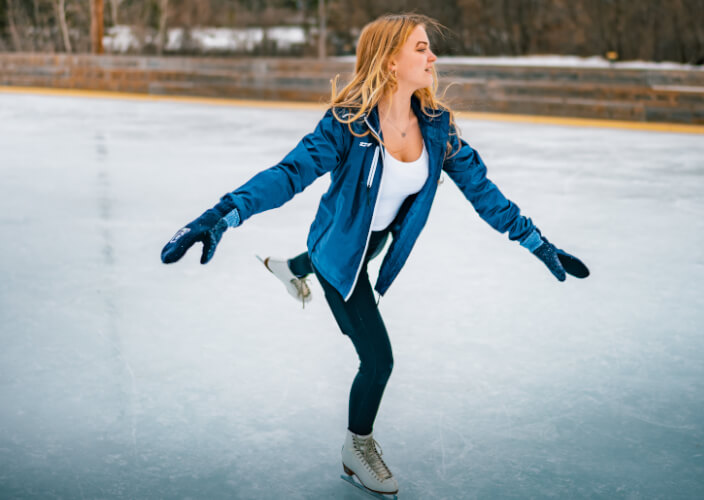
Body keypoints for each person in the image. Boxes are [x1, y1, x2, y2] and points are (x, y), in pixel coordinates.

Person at [161, 13, 589, 497]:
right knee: (377, 358)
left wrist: (537, 243)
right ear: (390, 62)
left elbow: (486, 195)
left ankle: (288, 269)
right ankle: (356, 447)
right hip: (340, 248)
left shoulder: (436, 129)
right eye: (422, 48)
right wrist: (222, 215)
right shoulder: (346, 125)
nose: (433, 57)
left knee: (320, 262)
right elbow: (288, 175)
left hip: (373, 241)